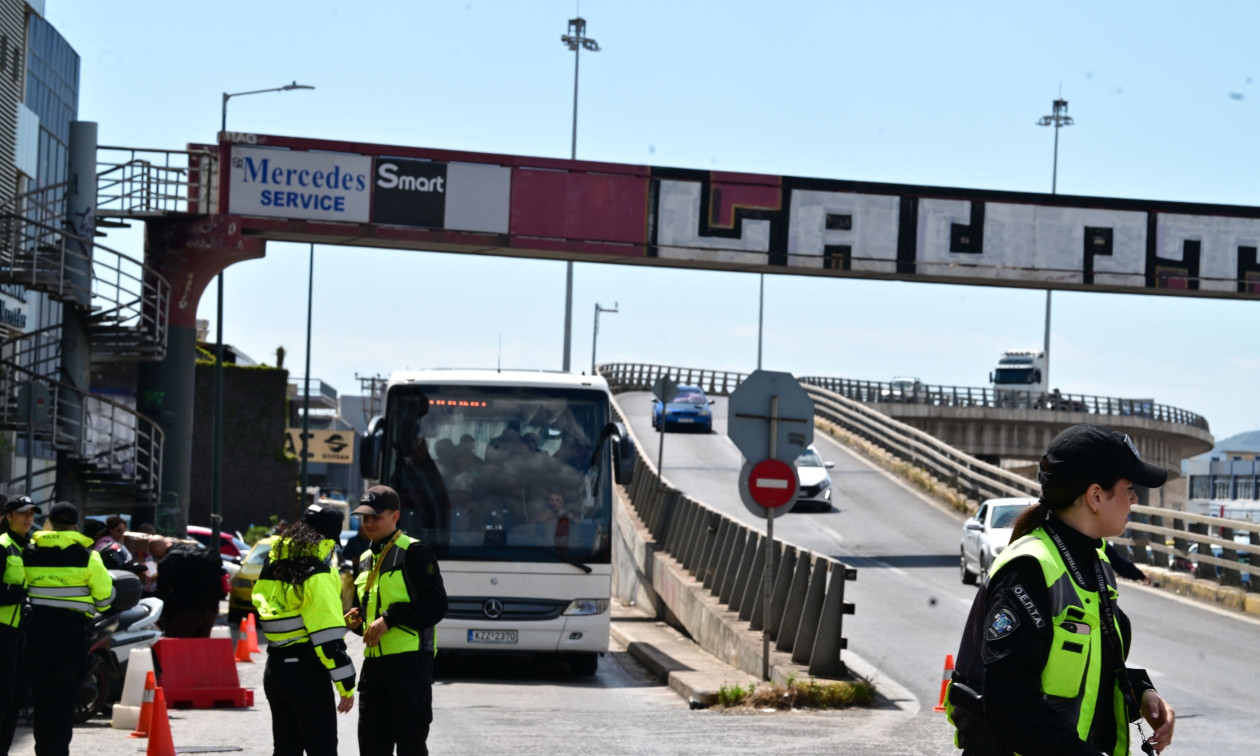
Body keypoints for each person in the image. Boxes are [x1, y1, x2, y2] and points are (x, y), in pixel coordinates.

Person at [947, 424, 1176, 755]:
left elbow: (1086, 666)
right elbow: (1009, 700)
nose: (1134, 499)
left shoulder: (1095, 562)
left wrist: (1141, 693)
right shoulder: (1029, 569)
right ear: (1096, 496)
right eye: (1128, 488)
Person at [346, 485, 447, 756]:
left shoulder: (415, 551)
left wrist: (389, 619)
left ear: (395, 516)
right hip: (374, 666)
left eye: (376, 517)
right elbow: (369, 612)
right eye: (365, 517)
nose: (368, 523)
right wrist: (358, 622)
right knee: (371, 748)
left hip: (409, 666)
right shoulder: (366, 557)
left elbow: (436, 606)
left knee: (410, 747)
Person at [252, 504, 357, 756]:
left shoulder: (274, 562)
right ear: (327, 540)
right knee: (322, 750)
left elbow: (289, 617)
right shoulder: (318, 572)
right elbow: (327, 638)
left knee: (286, 750)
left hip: (276, 670)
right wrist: (346, 685)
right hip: (306, 674)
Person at [23, 501, 114, 756]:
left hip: (36, 635)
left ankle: (43, 751)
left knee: (42, 701)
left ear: (49, 523)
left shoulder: (28, 553)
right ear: (75, 525)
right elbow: (105, 601)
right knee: (64, 702)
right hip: (71, 638)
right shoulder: (89, 557)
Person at [0, 496, 38, 752]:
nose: (28, 518)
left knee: (18, 696)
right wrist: (20, 595)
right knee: (3, 695)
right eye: (23, 513)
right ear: (9, 515)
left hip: (24, 631)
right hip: (3, 631)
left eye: (32, 514)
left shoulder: (32, 547)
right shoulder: (2, 545)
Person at [154, 538, 228, 637]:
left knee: (175, 643)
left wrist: (163, 617)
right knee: (200, 644)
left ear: (158, 551)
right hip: (212, 609)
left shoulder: (168, 560)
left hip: (187, 611)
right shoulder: (201, 553)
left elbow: (162, 592)